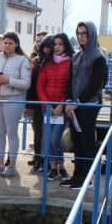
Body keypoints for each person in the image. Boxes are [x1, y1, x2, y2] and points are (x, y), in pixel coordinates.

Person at [62, 21, 108, 190]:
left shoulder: (98, 57)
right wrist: (68, 100)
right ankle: (76, 175)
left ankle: (86, 178)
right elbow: (70, 80)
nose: (81, 36)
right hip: (74, 106)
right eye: (79, 33)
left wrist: (78, 101)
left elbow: (97, 84)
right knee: (76, 141)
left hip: (88, 106)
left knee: (86, 142)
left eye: (84, 33)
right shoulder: (77, 56)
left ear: (92, 35)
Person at [0, 31, 31, 177]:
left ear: (16, 44)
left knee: (11, 132)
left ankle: (11, 165)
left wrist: (8, 80)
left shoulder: (22, 60)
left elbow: (26, 84)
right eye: (6, 42)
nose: (7, 45)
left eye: (11, 43)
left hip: (13, 99)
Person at [37, 32, 74, 181]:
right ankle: (54, 167)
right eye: (55, 44)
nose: (57, 47)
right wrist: (47, 104)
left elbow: (71, 86)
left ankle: (61, 165)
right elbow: (40, 86)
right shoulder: (47, 63)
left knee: (55, 139)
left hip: (61, 107)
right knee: (48, 139)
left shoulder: (71, 62)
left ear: (65, 45)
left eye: (60, 44)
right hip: (47, 107)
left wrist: (62, 104)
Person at [26, 34, 55, 173]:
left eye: (50, 47)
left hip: (53, 103)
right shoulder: (36, 62)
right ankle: (38, 159)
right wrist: (29, 105)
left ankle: (49, 161)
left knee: (50, 135)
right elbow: (31, 86)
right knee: (38, 133)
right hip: (37, 103)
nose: (47, 49)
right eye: (45, 46)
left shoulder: (57, 62)